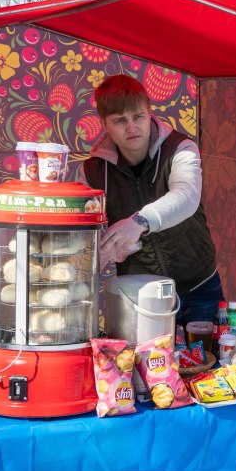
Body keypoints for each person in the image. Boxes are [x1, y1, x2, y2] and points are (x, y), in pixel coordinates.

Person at [83, 74, 224, 326]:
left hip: (199, 285)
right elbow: (85, 230)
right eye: (120, 121)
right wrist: (103, 252)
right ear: (105, 125)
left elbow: (186, 196)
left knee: (210, 362)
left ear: (149, 113)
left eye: (138, 117)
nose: (131, 127)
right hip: (139, 294)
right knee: (144, 364)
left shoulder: (180, 147)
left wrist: (138, 221)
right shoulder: (93, 171)